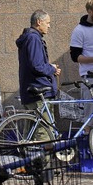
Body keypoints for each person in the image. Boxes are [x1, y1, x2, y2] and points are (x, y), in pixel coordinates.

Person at [16, 10, 61, 140]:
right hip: (39, 90)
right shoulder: (33, 38)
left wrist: (49, 67)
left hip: (30, 89)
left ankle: (28, 158)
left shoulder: (29, 37)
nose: (49, 26)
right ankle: (44, 160)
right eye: (47, 23)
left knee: (31, 130)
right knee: (45, 131)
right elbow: (37, 65)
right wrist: (51, 69)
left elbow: (35, 63)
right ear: (39, 22)